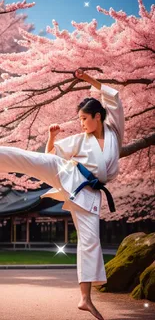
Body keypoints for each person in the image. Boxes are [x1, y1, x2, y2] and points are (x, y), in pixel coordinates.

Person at [0, 68, 124, 320]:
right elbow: (50, 155)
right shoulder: (80, 139)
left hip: (89, 195)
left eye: (84, 118)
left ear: (98, 117)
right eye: (79, 119)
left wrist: (88, 79)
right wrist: (51, 137)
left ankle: (85, 299)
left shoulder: (114, 132)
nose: (81, 123)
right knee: (28, 159)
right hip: (65, 172)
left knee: (91, 243)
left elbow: (115, 98)